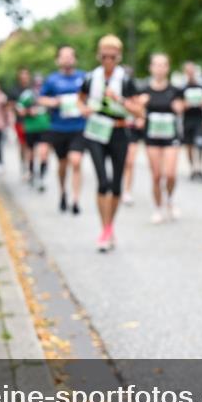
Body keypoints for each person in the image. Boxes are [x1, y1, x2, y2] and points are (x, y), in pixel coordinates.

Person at [81, 35, 142, 251]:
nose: (108, 60)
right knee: (103, 182)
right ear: (99, 55)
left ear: (119, 57)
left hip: (118, 132)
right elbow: (80, 100)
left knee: (116, 184)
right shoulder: (90, 78)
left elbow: (139, 110)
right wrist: (84, 109)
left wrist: (120, 100)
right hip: (96, 132)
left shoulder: (125, 80)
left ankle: (109, 226)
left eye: (112, 57)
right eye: (104, 56)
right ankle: (104, 229)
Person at [37, 45, 88, 214]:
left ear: (75, 59)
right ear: (58, 60)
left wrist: (85, 106)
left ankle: (75, 199)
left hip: (78, 127)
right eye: (63, 56)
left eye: (70, 56)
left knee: (76, 161)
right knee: (63, 164)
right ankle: (63, 193)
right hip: (58, 127)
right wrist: (54, 102)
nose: (67, 59)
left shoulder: (83, 77)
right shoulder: (52, 79)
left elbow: (91, 97)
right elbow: (41, 98)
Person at [139, 53, 184, 223]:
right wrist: (140, 106)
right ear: (151, 68)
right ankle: (158, 208)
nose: (159, 68)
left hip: (170, 136)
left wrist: (179, 107)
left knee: (170, 174)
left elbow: (182, 107)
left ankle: (170, 199)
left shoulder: (174, 90)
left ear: (168, 68)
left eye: (163, 65)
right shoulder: (144, 89)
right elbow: (136, 110)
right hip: (152, 136)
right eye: (156, 65)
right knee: (157, 175)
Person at [16, 74, 51, 192]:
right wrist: (29, 111)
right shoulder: (27, 94)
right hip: (31, 128)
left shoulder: (47, 94)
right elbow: (19, 109)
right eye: (37, 83)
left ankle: (41, 177)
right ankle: (31, 173)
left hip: (45, 127)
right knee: (31, 152)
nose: (39, 86)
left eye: (41, 84)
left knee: (44, 152)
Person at [121, 69, 147, 206]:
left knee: (130, 162)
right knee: (120, 162)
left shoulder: (137, 95)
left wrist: (140, 119)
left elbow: (141, 114)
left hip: (132, 132)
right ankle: (117, 186)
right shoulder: (114, 92)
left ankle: (127, 191)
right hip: (118, 130)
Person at [180, 61, 202, 181]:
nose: (190, 73)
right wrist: (184, 105)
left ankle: (200, 168)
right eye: (188, 71)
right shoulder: (182, 87)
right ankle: (192, 168)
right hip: (187, 119)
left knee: (200, 144)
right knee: (189, 145)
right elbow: (178, 104)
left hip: (199, 119)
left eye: (192, 70)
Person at [10, 68, 33, 182]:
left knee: (32, 146)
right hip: (20, 122)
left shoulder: (33, 89)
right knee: (23, 145)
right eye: (22, 75)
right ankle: (24, 167)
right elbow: (11, 104)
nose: (24, 77)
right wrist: (18, 109)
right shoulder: (15, 90)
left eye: (26, 74)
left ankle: (31, 168)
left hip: (33, 122)